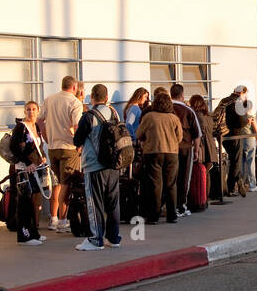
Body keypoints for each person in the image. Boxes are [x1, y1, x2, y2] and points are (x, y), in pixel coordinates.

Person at [71, 84, 124, 250]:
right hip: (114, 165)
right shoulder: (114, 113)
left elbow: (77, 140)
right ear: (106, 97)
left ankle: (95, 239)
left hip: (94, 165)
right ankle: (113, 238)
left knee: (95, 203)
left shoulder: (89, 116)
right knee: (113, 202)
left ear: (92, 97)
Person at [38, 76, 83, 233]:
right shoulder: (74, 102)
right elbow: (77, 126)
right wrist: (79, 144)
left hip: (53, 147)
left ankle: (54, 217)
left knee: (58, 183)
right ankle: (63, 220)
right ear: (74, 87)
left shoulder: (49, 99)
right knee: (67, 183)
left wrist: (46, 137)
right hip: (68, 147)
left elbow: (40, 120)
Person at [137, 87, 182, 222]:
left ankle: (154, 215)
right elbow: (179, 137)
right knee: (171, 184)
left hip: (153, 152)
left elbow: (139, 134)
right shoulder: (173, 118)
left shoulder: (149, 117)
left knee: (155, 184)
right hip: (172, 153)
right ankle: (172, 214)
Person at [9, 101, 48, 245]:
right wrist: (27, 163)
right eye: (28, 110)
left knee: (34, 202)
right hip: (23, 170)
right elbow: (15, 148)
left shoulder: (36, 126)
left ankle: (34, 232)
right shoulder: (21, 128)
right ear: (25, 112)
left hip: (36, 169)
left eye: (33, 109)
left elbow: (38, 146)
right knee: (24, 202)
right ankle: (24, 235)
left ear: (38, 111)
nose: (31, 112)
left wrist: (41, 158)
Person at [171, 83, 201, 217]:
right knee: (184, 177)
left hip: (169, 148)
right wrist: (196, 150)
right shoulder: (188, 111)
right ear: (182, 95)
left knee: (171, 178)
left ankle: (170, 206)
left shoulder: (166, 109)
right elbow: (197, 133)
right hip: (185, 147)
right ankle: (181, 206)